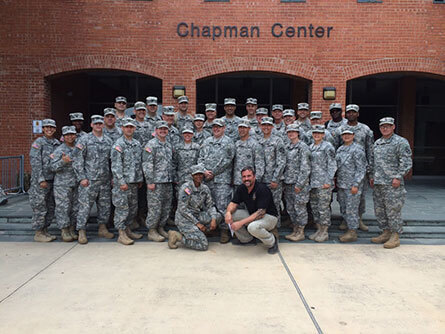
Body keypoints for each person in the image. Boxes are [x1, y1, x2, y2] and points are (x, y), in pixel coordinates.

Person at [370, 117, 412, 249]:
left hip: (392, 183)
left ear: (393, 127)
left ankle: (395, 236)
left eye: (388, 126)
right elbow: (373, 162)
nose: (385, 128)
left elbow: (406, 162)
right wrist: (371, 176)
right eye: (382, 126)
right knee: (380, 210)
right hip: (378, 183)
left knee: (393, 210)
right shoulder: (377, 143)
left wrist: (398, 177)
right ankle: (385, 232)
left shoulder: (400, 142)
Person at [73, 115, 114, 244]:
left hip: (104, 180)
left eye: (100, 123)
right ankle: (81, 231)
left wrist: (112, 177)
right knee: (85, 207)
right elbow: (78, 160)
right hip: (89, 180)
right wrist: (82, 177)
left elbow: (112, 161)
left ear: (103, 125)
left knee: (105, 206)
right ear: (91, 125)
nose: (98, 126)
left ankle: (102, 228)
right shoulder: (84, 140)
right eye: (95, 124)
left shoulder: (108, 141)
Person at [335, 104, 374, 232]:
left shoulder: (365, 129)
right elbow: (336, 149)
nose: (351, 114)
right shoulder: (340, 129)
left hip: (360, 169)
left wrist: (371, 171)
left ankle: (359, 219)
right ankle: (346, 220)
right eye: (349, 112)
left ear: (357, 114)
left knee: (359, 197)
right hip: (344, 169)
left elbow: (370, 149)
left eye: (353, 112)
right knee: (344, 199)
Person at [225, 167, 279, 254]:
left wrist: (240, 223)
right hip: (253, 214)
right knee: (232, 215)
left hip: (269, 217)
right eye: (244, 176)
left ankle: (272, 242)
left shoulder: (262, 188)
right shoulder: (242, 188)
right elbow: (233, 203)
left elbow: (260, 213)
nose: (246, 179)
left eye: (249, 176)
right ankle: (246, 240)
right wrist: (228, 213)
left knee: (252, 227)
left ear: (254, 176)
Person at [168, 165, 222, 251]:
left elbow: (210, 205)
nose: (199, 176)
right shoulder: (186, 188)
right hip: (184, 219)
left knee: (217, 216)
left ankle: (201, 233)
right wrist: (198, 224)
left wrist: (213, 219)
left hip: (196, 215)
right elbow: (183, 209)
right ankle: (178, 236)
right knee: (203, 245)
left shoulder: (204, 188)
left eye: (200, 174)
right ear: (192, 176)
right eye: (196, 174)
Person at [198, 118, 235, 243]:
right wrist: (203, 171)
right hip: (207, 180)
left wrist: (213, 172)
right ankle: (211, 228)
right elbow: (200, 158)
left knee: (222, 206)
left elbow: (227, 160)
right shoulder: (207, 141)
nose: (216, 129)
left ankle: (224, 231)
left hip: (221, 180)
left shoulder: (229, 142)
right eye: (214, 126)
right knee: (208, 205)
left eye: (219, 126)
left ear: (224, 128)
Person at [110, 118, 144, 245]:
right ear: (122, 128)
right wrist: (121, 181)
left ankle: (128, 229)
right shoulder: (118, 145)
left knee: (132, 208)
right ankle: (121, 233)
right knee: (122, 208)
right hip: (123, 183)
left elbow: (139, 163)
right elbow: (116, 166)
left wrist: (139, 178)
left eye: (131, 127)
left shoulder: (136, 143)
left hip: (134, 182)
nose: (129, 129)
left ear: (134, 128)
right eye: (127, 127)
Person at [143, 120, 174, 242]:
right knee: (155, 208)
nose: (163, 131)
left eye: (165, 129)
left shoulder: (168, 144)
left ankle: (161, 227)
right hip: (156, 182)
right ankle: (152, 230)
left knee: (166, 207)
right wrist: (150, 181)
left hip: (167, 181)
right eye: (160, 129)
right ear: (155, 131)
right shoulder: (151, 145)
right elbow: (147, 164)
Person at [29, 119, 60, 242]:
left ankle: (45, 230)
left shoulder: (57, 143)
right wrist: (41, 179)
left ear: (55, 129)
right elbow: (35, 163)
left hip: (53, 180)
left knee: (50, 207)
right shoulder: (39, 143)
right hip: (41, 182)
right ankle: (38, 232)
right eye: (47, 127)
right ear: (43, 129)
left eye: (51, 127)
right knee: (40, 207)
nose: (49, 129)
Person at [335, 128, 367, 243]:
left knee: (351, 209)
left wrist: (356, 184)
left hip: (352, 185)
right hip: (342, 184)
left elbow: (361, 169)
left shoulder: (358, 150)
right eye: (344, 135)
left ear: (353, 135)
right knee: (344, 208)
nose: (346, 136)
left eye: (349, 134)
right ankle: (349, 228)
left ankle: (352, 232)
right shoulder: (340, 149)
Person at [308, 124, 337, 242]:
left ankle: (324, 231)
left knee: (323, 208)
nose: (316, 135)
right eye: (315, 133)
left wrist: (328, 180)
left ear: (323, 135)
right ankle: (319, 229)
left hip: (324, 183)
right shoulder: (311, 147)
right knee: (315, 207)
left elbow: (332, 164)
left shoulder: (327, 147)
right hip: (313, 182)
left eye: (319, 133)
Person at [283, 124, 311, 242]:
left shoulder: (303, 147)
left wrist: (299, 184)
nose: (291, 134)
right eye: (289, 132)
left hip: (299, 184)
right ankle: (295, 229)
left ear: (298, 133)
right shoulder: (287, 147)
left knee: (300, 207)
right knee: (290, 207)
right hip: (288, 182)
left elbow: (305, 168)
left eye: (293, 132)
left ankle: (301, 231)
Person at [50, 126, 79, 242]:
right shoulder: (59, 150)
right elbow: (52, 167)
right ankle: (64, 230)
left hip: (76, 182)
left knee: (75, 208)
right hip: (62, 184)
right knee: (63, 208)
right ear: (63, 136)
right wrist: (63, 161)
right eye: (67, 135)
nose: (70, 137)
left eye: (72, 134)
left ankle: (72, 228)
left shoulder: (78, 148)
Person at [257, 116, 286, 230]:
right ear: (260, 126)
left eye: (268, 125)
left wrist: (275, 179)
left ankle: (275, 229)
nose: (266, 127)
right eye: (264, 125)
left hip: (273, 180)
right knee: (261, 205)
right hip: (260, 180)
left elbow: (281, 162)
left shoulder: (278, 141)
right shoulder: (258, 141)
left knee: (274, 205)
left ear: (272, 127)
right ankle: (262, 227)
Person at [233, 119, 264, 188]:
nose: (242, 130)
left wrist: (256, 181)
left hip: (250, 182)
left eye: (244, 128)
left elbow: (260, 165)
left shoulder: (255, 145)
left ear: (249, 129)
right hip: (237, 181)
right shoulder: (235, 144)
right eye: (240, 127)